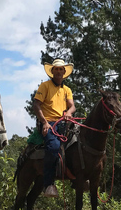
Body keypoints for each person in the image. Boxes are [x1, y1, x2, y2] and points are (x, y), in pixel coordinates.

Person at [33, 59, 76, 198]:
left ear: (64, 72)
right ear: (52, 72)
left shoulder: (67, 89)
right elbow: (36, 105)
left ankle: (78, 179)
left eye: (61, 69)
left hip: (63, 122)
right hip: (48, 123)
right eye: (56, 69)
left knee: (80, 143)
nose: (58, 72)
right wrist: (44, 123)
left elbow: (72, 106)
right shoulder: (44, 86)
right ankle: (48, 184)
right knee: (54, 146)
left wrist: (69, 113)